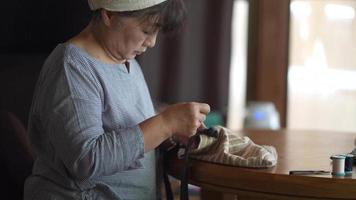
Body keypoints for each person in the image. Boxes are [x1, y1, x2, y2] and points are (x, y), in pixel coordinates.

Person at [23, 0, 210, 199]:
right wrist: (165, 123)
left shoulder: (128, 63)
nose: (152, 42)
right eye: (147, 31)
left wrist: (169, 134)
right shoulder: (72, 67)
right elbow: (87, 159)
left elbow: (133, 127)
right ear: (109, 15)